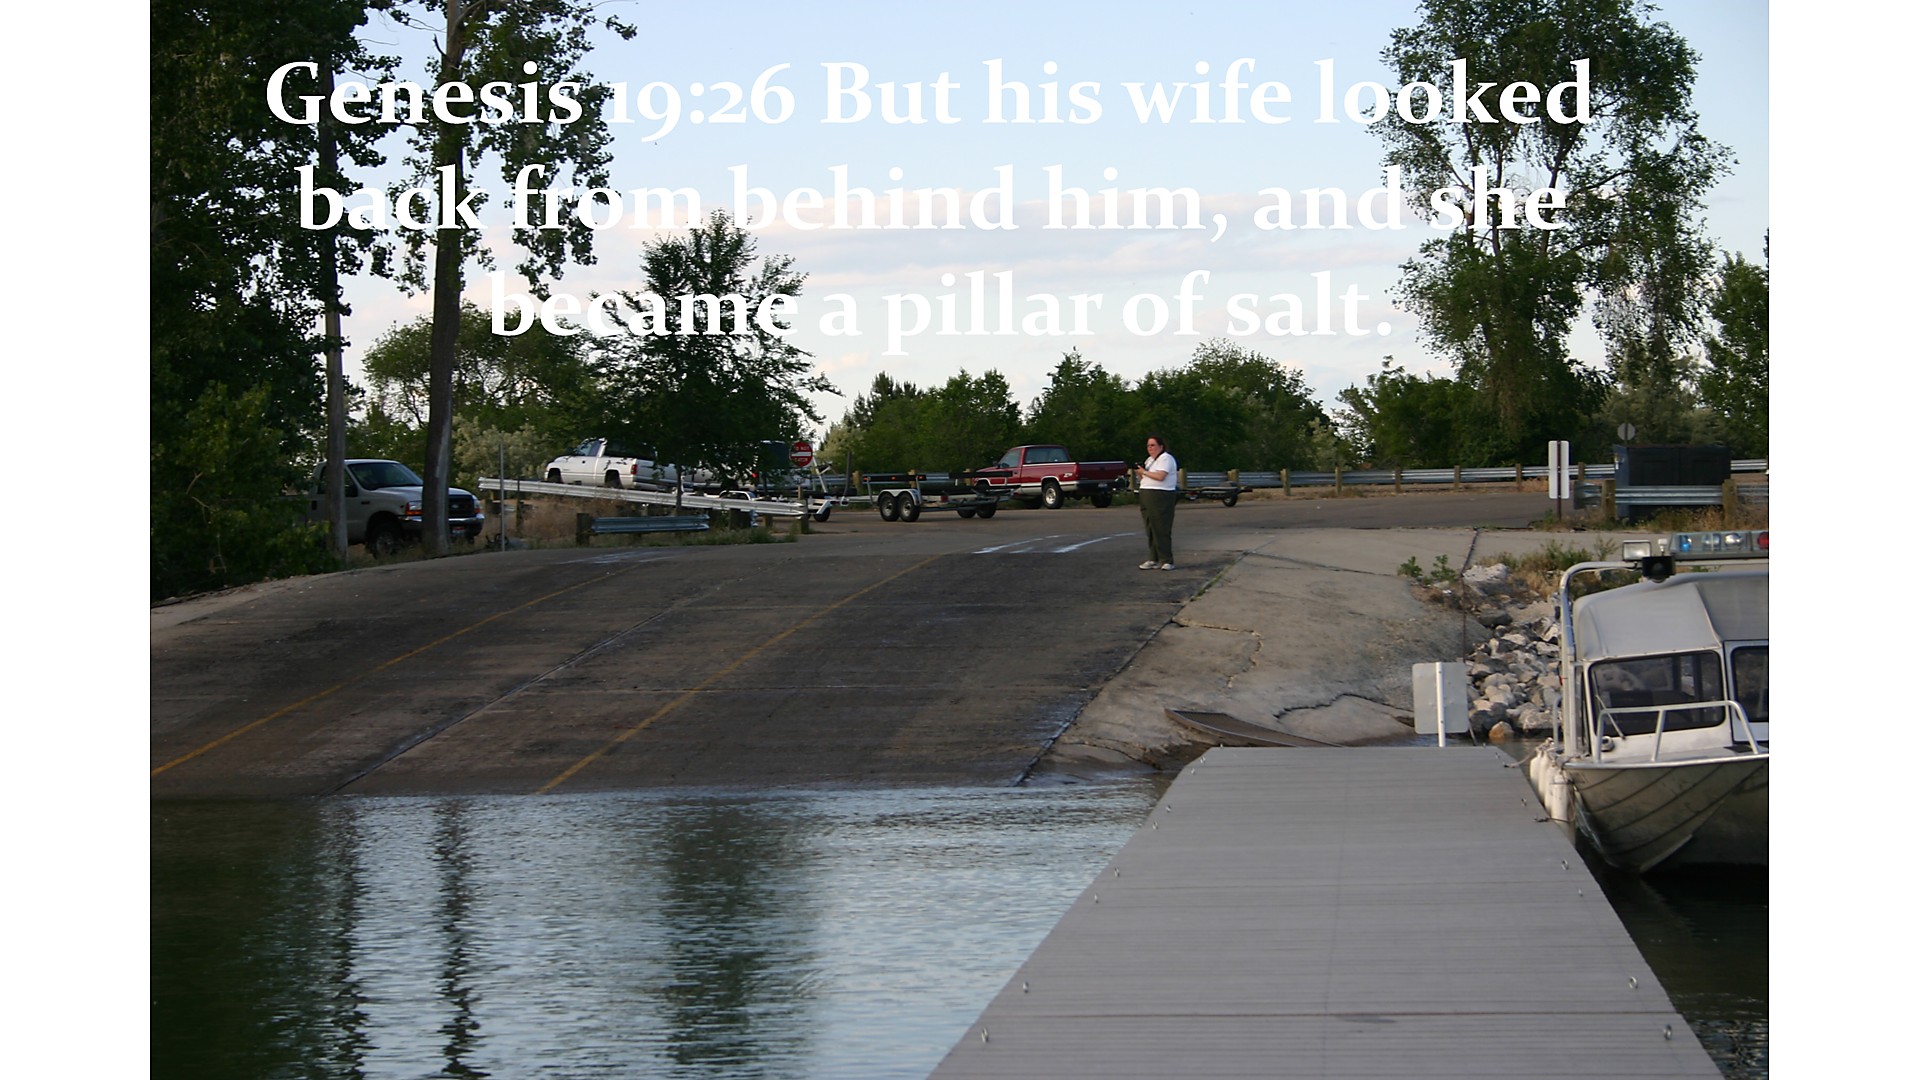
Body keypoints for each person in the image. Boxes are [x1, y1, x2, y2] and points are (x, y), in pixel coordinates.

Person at [1135, 435, 1179, 570]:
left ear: (1161, 446)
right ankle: (1153, 558)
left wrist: (1144, 472)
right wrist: (1139, 472)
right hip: (1146, 493)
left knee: (1161, 527)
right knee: (1150, 527)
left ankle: (1167, 560)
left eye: (1153, 445)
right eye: (1148, 446)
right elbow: (1144, 477)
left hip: (1160, 494)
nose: (1150, 448)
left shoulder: (1165, 458)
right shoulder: (1149, 460)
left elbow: (1160, 476)